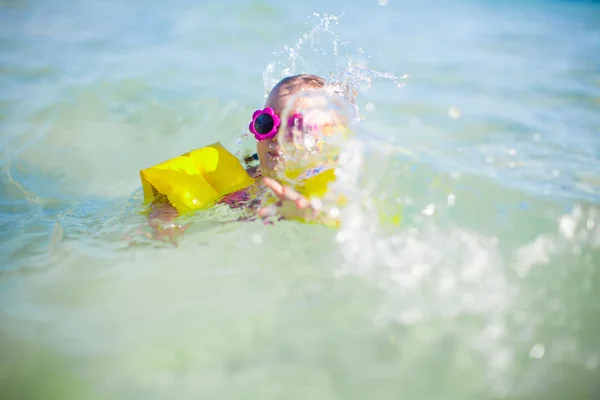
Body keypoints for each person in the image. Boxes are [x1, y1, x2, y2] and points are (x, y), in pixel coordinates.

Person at [140, 74, 333, 244]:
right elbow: (166, 200)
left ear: (325, 138)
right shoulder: (244, 179)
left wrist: (307, 213)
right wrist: (164, 222)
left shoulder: (327, 187)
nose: (276, 136)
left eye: (295, 128)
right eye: (267, 124)